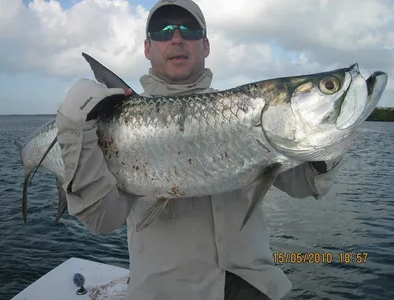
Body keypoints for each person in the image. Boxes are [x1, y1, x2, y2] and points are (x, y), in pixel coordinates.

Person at [55, 1, 345, 299]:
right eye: (163, 30)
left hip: (255, 288)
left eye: (189, 29)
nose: (177, 38)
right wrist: (73, 132)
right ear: (147, 47)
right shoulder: (99, 121)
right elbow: (103, 219)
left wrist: (328, 142)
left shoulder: (245, 116)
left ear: (206, 45)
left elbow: (304, 184)